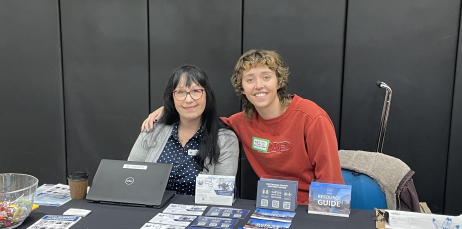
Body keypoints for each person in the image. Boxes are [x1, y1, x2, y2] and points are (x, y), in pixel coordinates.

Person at [141, 50, 343, 204]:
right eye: (250, 79)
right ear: (242, 87)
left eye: (266, 77)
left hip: (310, 210)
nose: (258, 85)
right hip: (270, 208)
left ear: (279, 81)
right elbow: (202, 117)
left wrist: (320, 223)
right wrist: (169, 109)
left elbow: (331, 183)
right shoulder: (241, 122)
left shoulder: (312, 117)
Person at [129, 65, 239, 196]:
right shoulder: (152, 131)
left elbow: (221, 195)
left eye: (196, 91)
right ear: (172, 97)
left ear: (207, 95)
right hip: (153, 211)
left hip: (202, 213)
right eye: (180, 92)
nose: (188, 99)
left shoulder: (225, 139)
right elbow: (130, 178)